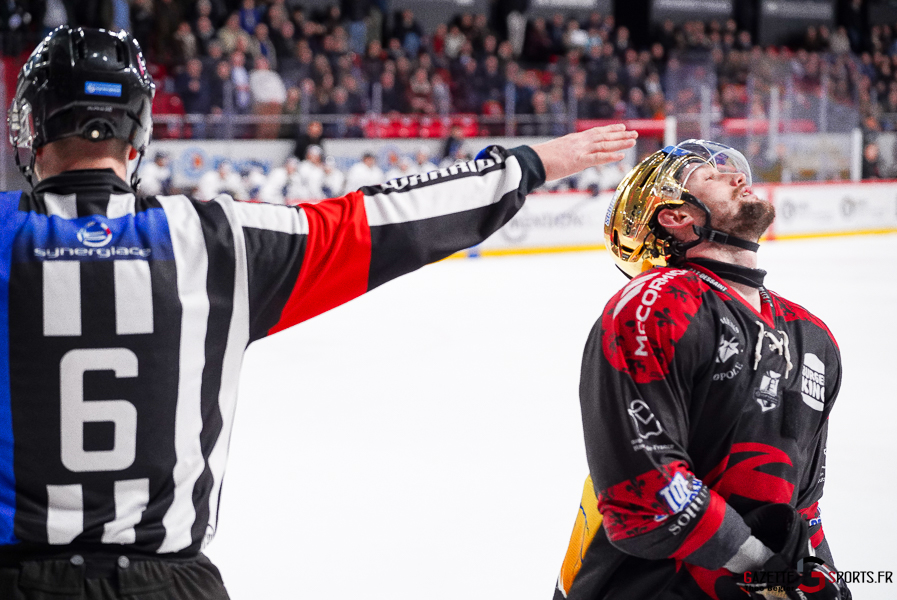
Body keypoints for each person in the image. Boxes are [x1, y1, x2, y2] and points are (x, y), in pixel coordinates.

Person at [2, 26, 637, 600]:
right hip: (167, 583)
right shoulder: (216, 241)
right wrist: (526, 165)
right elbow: (385, 220)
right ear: (138, 131)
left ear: (30, 128)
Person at [554, 140, 851, 600]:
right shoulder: (658, 304)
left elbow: (803, 503)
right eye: (712, 177)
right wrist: (765, 571)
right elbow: (647, 492)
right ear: (677, 217)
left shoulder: (812, 336)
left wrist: (819, 574)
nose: (738, 177)